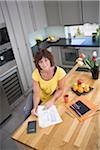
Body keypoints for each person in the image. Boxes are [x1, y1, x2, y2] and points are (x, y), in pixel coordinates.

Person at [24, 49, 66, 119]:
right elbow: (36, 93)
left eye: (46, 60)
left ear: (50, 60)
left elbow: (61, 89)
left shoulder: (60, 72)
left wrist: (52, 101)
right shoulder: (36, 73)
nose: (44, 64)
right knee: (27, 112)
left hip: (50, 95)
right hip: (37, 95)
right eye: (41, 62)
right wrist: (35, 107)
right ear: (38, 64)